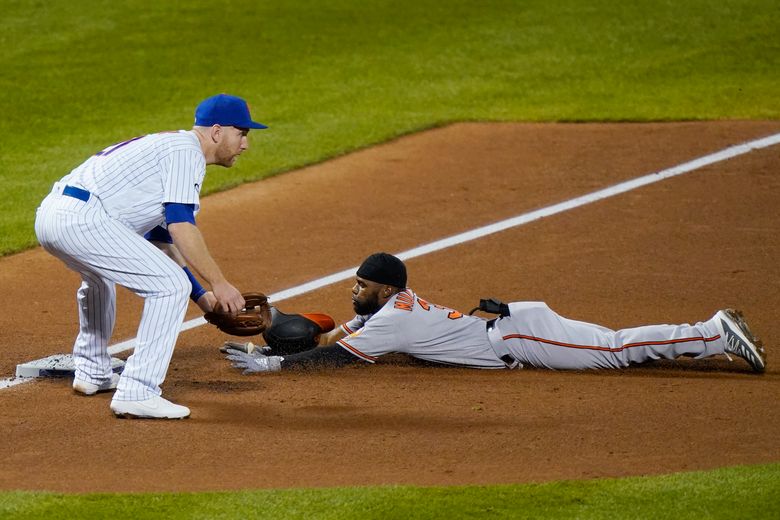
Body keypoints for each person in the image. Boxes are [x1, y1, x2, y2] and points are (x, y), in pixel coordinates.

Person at [35, 94, 267, 419]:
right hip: (83, 219)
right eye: (242, 133)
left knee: (100, 278)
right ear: (217, 131)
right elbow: (182, 225)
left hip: (56, 215)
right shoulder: (187, 154)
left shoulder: (173, 148)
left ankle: (93, 371)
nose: (245, 144)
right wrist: (220, 283)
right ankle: (138, 390)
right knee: (170, 286)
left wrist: (202, 298)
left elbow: (160, 239)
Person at [224, 252, 767, 375]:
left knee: (615, 349)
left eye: (361, 285)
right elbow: (322, 337)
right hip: (510, 328)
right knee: (614, 345)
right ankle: (711, 332)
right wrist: (269, 332)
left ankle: (714, 331)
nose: (353, 291)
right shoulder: (384, 311)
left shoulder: (392, 319)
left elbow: (335, 360)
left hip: (524, 336)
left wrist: (272, 367)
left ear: (385, 288)